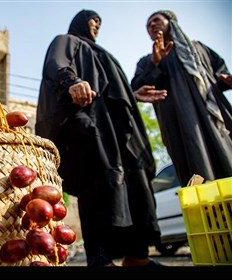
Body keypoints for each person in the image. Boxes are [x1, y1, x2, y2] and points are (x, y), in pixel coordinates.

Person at [35, 9, 162, 267]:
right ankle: (101, 261)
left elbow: (110, 88)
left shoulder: (102, 53)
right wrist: (71, 82)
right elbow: (56, 64)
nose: (97, 25)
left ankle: (137, 258)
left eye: (100, 22)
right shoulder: (67, 40)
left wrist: (132, 95)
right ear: (81, 21)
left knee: (136, 183)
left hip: (118, 131)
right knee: (99, 186)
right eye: (94, 20)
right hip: (91, 126)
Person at [131, 10, 232, 188]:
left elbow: (220, 73)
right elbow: (137, 89)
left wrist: (226, 80)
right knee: (198, 172)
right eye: (148, 25)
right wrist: (156, 64)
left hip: (214, 119)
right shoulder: (147, 61)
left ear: (171, 22)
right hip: (180, 127)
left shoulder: (199, 49)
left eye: (156, 20)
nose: (152, 26)